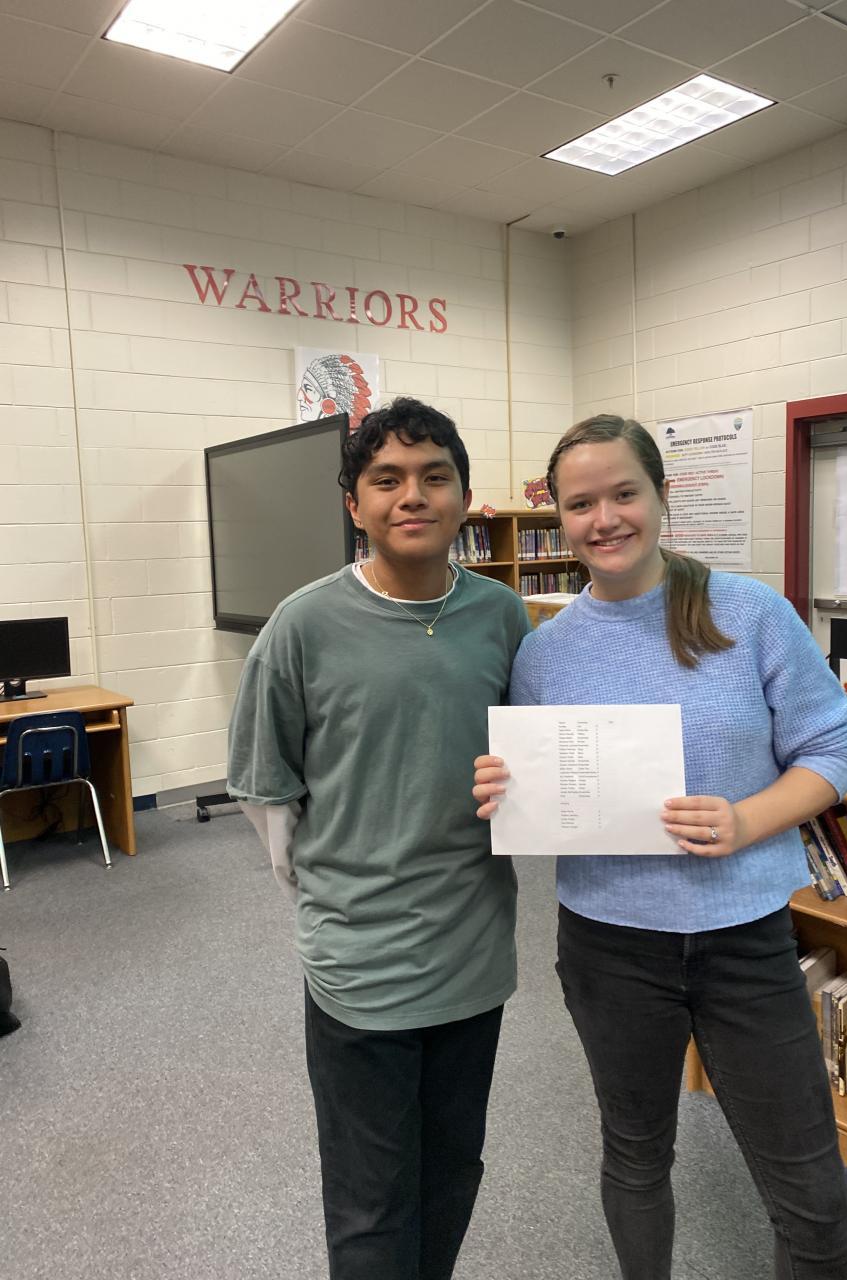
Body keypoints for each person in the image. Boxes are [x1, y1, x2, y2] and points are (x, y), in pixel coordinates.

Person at [473, 414, 847, 1280]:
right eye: (581, 504)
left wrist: (747, 820)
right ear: (559, 517)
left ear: (660, 496)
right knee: (637, 1153)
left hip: (745, 941)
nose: (604, 518)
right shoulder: (545, 653)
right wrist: (509, 790)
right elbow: (548, 794)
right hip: (610, 946)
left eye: (624, 493)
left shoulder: (750, 613)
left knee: (810, 1193)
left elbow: (833, 751)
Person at [227, 397, 529, 1280]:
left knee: (451, 1172)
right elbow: (267, 795)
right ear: (354, 504)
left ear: (464, 496)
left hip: (473, 954)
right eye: (386, 479)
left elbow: (537, 762)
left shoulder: (503, 616)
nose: (413, 495)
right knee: (370, 1201)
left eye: (435, 476)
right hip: (359, 964)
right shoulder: (302, 625)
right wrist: (337, 900)